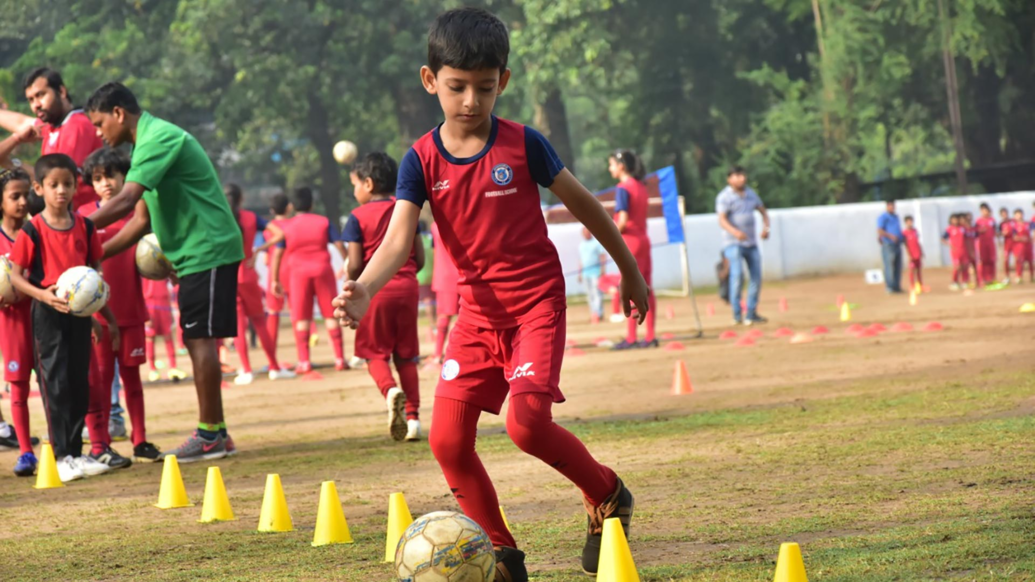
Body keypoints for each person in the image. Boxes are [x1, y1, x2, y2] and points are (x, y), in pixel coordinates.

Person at [331, 9, 648, 579]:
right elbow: (400, 236)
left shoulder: (524, 144)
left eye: (484, 87)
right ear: (431, 81)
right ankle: (501, 553)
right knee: (449, 441)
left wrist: (628, 269)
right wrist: (365, 291)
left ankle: (608, 495)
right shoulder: (420, 159)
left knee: (527, 426)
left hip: (535, 307)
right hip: (475, 318)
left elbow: (585, 205)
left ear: (503, 80)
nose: (471, 101)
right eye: (457, 87)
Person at [84, 82, 244, 462]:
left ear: (119, 113)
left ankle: (209, 436)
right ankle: (217, 431)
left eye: (99, 122)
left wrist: (74, 230)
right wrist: (98, 251)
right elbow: (141, 220)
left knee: (200, 341)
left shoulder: (158, 137)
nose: (98, 132)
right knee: (196, 340)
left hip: (207, 249)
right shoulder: (145, 146)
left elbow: (125, 200)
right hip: (196, 254)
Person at [7, 154, 120, 482]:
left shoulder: (86, 226)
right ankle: (61, 457)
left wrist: (100, 315)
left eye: (68, 184)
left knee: (78, 383)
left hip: (80, 317)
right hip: (47, 315)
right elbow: (16, 276)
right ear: (39, 188)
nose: (62, 191)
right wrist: (43, 295)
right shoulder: (33, 229)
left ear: (76, 186)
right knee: (54, 385)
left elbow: (94, 271)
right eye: (54, 185)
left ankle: (76, 452)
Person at [82, 147, 160, 463]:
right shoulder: (85, 216)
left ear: (124, 177)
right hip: (98, 320)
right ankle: (100, 445)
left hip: (131, 314)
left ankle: (139, 440)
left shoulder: (138, 215)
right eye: (97, 178)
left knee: (133, 381)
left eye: (111, 176)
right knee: (98, 383)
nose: (105, 184)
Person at [342, 152, 424, 442]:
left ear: (367, 183)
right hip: (408, 288)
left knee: (373, 352)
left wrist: (352, 283)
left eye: (354, 185)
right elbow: (420, 257)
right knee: (407, 355)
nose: (353, 191)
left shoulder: (357, 217)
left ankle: (390, 390)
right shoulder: (407, 209)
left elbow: (353, 264)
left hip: (375, 290)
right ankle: (413, 420)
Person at [265, 187, 348, 373]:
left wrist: (275, 280)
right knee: (330, 314)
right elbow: (340, 245)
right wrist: (348, 264)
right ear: (312, 204)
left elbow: (277, 254)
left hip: (298, 275)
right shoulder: (324, 222)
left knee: (301, 317)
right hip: (323, 271)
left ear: (292, 206)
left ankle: (304, 362)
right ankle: (340, 359)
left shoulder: (286, 227)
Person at [0, 68, 103, 209]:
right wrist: (14, 160)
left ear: (61, 92)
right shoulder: (52, 127)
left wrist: (14, 164)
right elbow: (21, 123)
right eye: (31, 100)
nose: (36, 105)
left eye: (40, 95)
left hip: (86, 218)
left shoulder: (77, 125)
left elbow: (58, 178)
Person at [223, 184, 295, 385]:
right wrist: (257, 250)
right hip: (248, 275)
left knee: (238, 327)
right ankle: (274, 367)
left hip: (228, 277)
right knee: (259, 322)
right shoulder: (251, 218)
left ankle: (246, 370)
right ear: (242, 199)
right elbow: (279, 234)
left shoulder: (219, 217)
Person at [0, 167, 39, 475]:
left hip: (43, 318)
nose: (23, 202)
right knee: (18, 387)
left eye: (27, 195)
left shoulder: (38, 230)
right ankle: (26, 452)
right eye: (15, 196)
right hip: (12, 323)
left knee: (55, 385)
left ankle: (64, 448)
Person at [609, 150, 657, 348]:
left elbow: (623, 221)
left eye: (611, 164)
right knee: (646, 289)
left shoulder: (623, 188)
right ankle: (650, 335)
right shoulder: (641, 187)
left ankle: (631, 337)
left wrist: (607, 234)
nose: (609, 168)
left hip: (630, 243)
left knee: (629, 288)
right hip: (644, 240)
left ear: (621, 166)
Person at [717, 166, 771, 323]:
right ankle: (737, 313)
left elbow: (763, 212)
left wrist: (766, 228)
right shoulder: (724, 197)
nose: (741, 178)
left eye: (742, 175)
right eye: (737, 175)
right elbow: (722, 220)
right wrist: (735, 232)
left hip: (751, 243)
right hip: (733, 243)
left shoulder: (751, 194)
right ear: (729, 179)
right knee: (737, 275)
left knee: (756, 277)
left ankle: (751, 313)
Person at [263, 192, 292, 347]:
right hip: (293, 271)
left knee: (273, 312)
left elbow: (266, 257)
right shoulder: (294, 225)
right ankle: (303, 358)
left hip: (274, 274)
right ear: (289, 208)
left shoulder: (268, 229)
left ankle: (271, 353)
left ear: (272, 210)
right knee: (298, 313)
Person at [429, 221, 459, 368]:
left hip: (445, 275)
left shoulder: (436, 225)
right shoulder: (466, 219)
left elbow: (435, 251)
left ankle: (437, 356)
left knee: (444, 317)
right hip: (468, 274)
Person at [142, 278, 184, 382]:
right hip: (149, 303)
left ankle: (173, 367)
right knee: (150, 337)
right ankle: (152, 369)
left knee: (168, 335)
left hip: (164, 302)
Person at [578, 227, 606, 323]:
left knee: (597, 294)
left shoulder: (596, 243)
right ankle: (594, 313)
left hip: (595, 272)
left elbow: (602, 256)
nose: (587, 234)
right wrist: (580, 273)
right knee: (590, 295)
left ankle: (598, 314)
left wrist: (603, 270)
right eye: (585, 232)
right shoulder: (581, 245)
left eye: (588, 232)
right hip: (585, 273)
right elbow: (581, 260)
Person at [875, 200, 904, 294]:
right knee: (889, 266)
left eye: (893, 205)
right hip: (888, 244)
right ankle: (889, 286)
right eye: (890, 205)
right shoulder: (883, 217)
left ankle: (896, 286)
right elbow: (879, 230)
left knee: (898, 266)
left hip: (897, 244)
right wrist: (891, 236)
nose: (892, 207)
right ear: (887, 206)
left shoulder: (896, 217)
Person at [943, 214, 967, 290]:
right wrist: (950, 245)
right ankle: (954, 282)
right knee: (957, 267)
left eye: (956, 219)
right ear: (951, 221)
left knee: (964, 266)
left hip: (963, 250)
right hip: (955, 251)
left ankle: (964, 282)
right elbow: (942, 238)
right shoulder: (949, 229)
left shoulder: (962, 228)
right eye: (953, 220)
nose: (955, 221)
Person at [975, 203, 997, 285]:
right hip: (981, 243)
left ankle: (991, 278)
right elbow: (974, 232)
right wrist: (980, 231)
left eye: (986, 210)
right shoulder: (978, 221)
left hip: (990, 243)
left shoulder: (992, 220)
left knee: (991, 260)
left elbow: (996, 231)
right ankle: (982, 279)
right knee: (982, 261)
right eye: (983, 210)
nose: (985, 212)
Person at [1011, 209, 1033, 284]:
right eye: (1017, 215)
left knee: (1030, 261)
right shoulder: (1014, 226)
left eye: (1020, 214)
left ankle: (1032, 276)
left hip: (1028, 245)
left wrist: (1032, 238)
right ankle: (1019, 276)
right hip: (1020, 246)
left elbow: (1033, 232)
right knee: (1019, 261)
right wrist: (1021, 238)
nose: (1019, 216)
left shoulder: (1029, 223)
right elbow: (1013, 237)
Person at [902, 215, 923, 291]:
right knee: (912, 270)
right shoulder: (904, 233)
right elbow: (905, 244)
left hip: (917, 253)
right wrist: (909, 255)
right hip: (911, 254)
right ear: (905, 223)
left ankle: (920, 285)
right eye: (908, 221)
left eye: (911, 221)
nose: (910, 223)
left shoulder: (915, 231)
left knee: (918, 270)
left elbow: (918, 242)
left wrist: (921, 251)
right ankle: (912, 285)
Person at [999, 207, 1014, 285]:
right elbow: (998, 234)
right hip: (1006, 243)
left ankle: (1018, 276)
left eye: (1005, 213)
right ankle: (1007, 277)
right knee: (1006, 260)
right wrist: (1002, 233)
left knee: (1018, 259)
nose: (1004, 215)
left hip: (1015, 242)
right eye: (1003, 214)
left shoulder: (1013, 221)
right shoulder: (1001, 224)